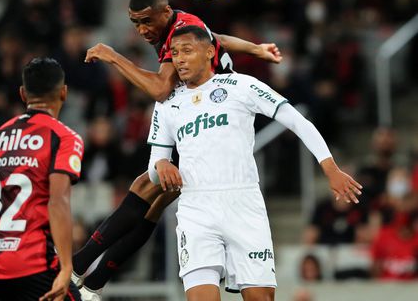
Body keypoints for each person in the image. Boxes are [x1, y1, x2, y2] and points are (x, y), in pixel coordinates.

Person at [73, 0, 282, 299]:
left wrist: (112, 56)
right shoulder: (186, 24)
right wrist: (254, 49)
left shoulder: (179, 33)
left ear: (165, 12)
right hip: (204, 117)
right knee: (153, 204)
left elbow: (160, 89)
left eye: (147, 20)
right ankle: (94, 281)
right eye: (135, 23)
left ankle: (77, 266)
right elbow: (217, 39)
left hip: (205, 119)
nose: (143, 29)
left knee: (146, 187)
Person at [146, 26, 362, 301]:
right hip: (196, 209)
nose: (180, 59)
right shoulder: (166, 103)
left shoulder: (242, 86)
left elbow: (297, 121)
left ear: (210, 51)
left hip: (243, 203)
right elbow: (154, 167)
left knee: (260, 297)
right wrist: (161, 166)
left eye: (187, 50)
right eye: (175, 53)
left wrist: (330, 168)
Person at [0, 57, 83, 301]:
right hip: (31, 264)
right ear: (64, 93)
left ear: (23, 94)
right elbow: (57, 202)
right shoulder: (63, 137)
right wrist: (66, 267)